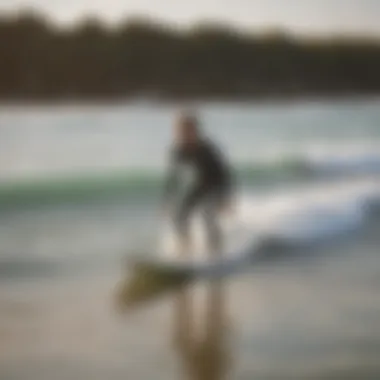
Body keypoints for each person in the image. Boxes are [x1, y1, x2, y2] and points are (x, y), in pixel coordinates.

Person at [163, 112, 234, 256]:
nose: (184, 135)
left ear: (195, 130)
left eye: (187, 130)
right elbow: (173, 177)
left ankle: (216, 252)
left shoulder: (207, 149)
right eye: (180, 131)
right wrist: (167, 200)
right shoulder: (178, 150)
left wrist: (225, 199)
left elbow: (224, 174)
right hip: (200, 185)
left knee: (208, 216)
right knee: (179, 216)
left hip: (215, 185)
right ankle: (186, 249)